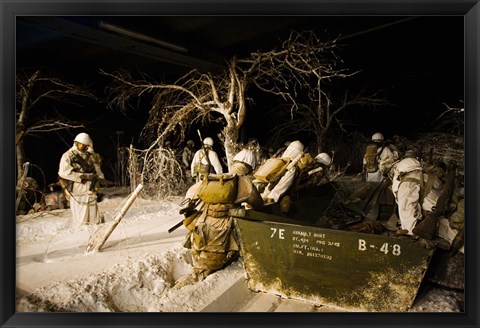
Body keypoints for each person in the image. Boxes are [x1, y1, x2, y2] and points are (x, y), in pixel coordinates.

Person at [174, 172, 264, 287]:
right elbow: (257, 202)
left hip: (202, 223)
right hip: (223, 226)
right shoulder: (243, 181)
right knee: (205, 267)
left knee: (200, 255)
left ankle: (195, 271)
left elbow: (190, 197)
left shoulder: (210, 180)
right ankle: (183, 286)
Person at [58, 132, 105, 226]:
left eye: (84, 144)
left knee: (93, 218)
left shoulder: (91, 155)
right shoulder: (68, 155)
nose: (82, 146)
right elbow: (63, 173)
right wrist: (83, 176)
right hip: (77, 190)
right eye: (80, 143)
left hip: (90, 189)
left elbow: (97, 169)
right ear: (76, 143)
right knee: (80, 218)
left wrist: (101, 178)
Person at [261, 140, 304, 204]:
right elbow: (283, 184)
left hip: (270, 191)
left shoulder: (285, 162)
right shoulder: (286, 163)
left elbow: (282, 184)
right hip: (270, 190)